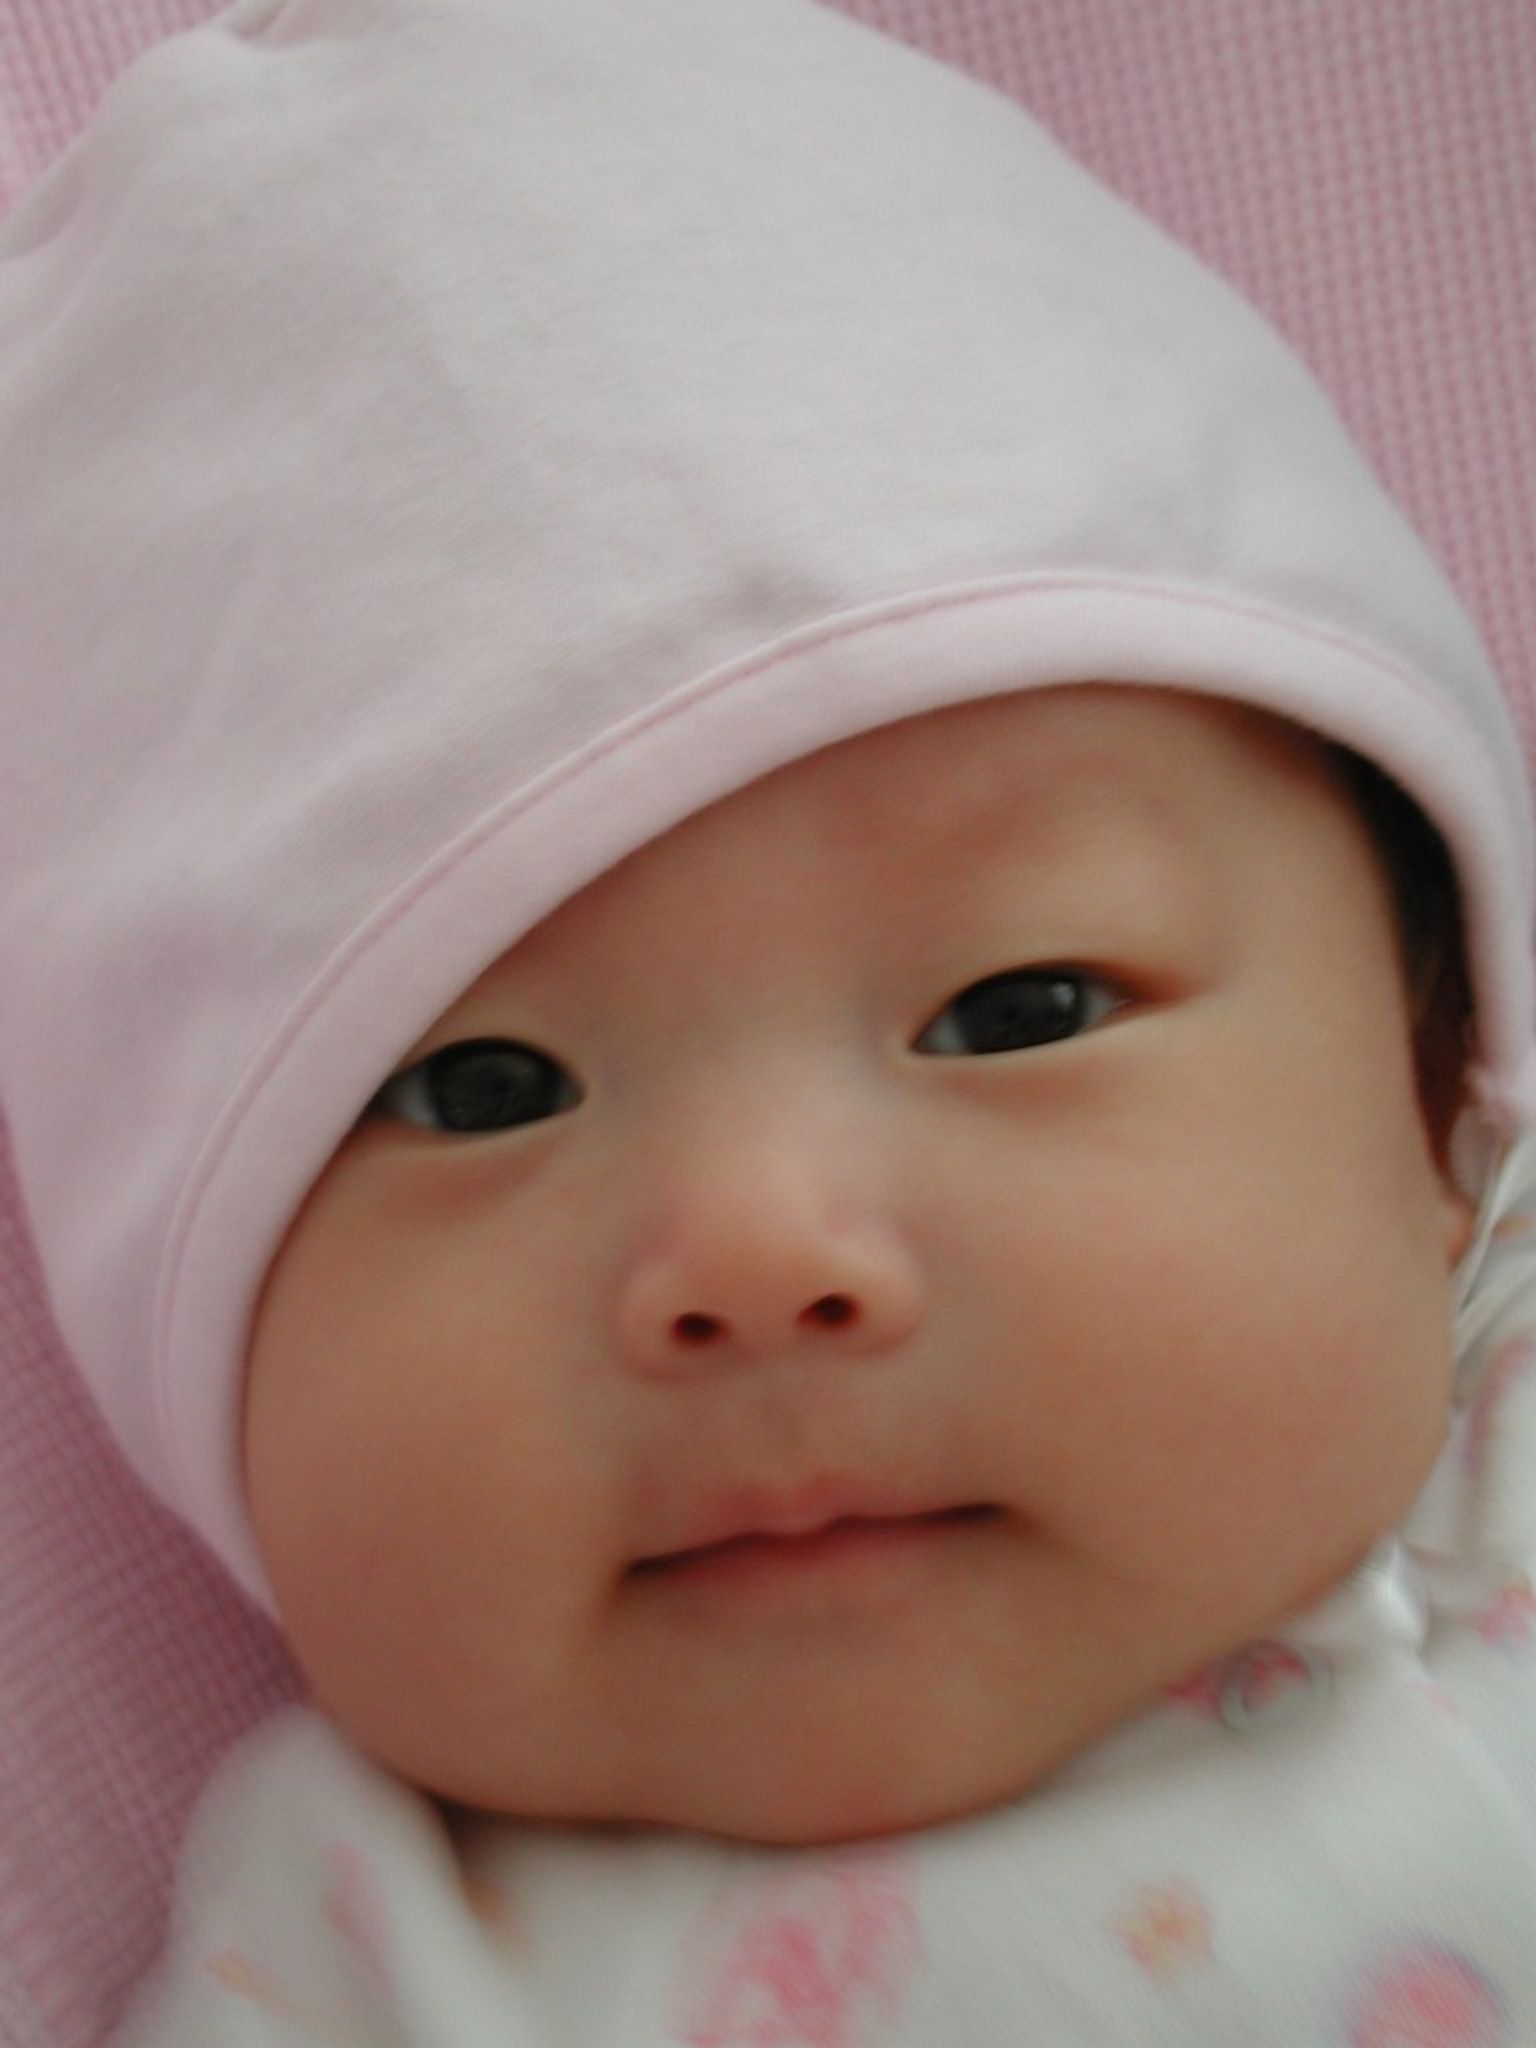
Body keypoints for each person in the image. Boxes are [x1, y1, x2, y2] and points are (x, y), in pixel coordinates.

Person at [2, 0, 1535, 2039]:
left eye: (1017, 1009)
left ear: (1439, 1103)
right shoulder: (360, 1962)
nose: (756, 1254)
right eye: (479, 1089)